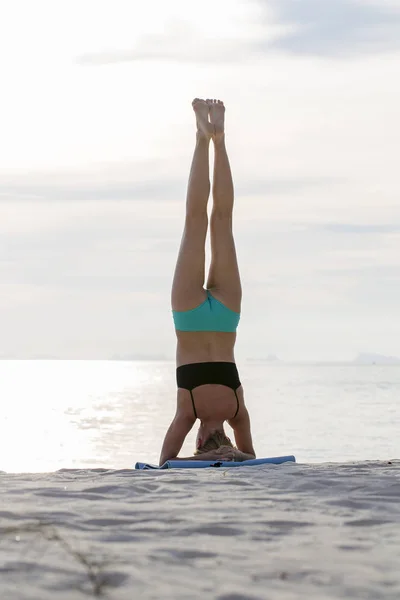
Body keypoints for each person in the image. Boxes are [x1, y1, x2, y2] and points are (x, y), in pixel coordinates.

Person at [159, 98, 256, 466]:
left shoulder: (237, 410)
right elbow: (166, 460)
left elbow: (250, 455)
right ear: (200, 439)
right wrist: (202, 459)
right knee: (195, 221)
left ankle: (219, 137)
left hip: (227, 314)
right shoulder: (190, 410)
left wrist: (235, 453)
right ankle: (203, 138)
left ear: (225, 436)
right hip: (188, 316)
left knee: (222, 220)